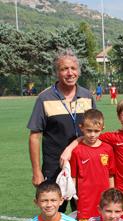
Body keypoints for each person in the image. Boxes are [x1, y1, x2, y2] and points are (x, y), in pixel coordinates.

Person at [27, 49, 96, 212]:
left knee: (85, 214)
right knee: (54, 214)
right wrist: (37, 171)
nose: (70, 73)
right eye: (64, 69)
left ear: (79, 71)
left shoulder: (87, 96)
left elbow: (95, 129)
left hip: (84, 166)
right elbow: (35, 137)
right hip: (54, 168)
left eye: (73, 68)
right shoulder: (45, 98)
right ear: (57, 72)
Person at [70, 109, 115, 221]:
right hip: (85, 201)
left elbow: (110, 174)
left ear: (102, 129)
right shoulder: (77, 151)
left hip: (104, 199)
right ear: (82, 127)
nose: (92, 134)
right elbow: (73, 177)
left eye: (96, 131)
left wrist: (112, 194)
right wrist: (75, 197)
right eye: (89, 130)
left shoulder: (108, 149)